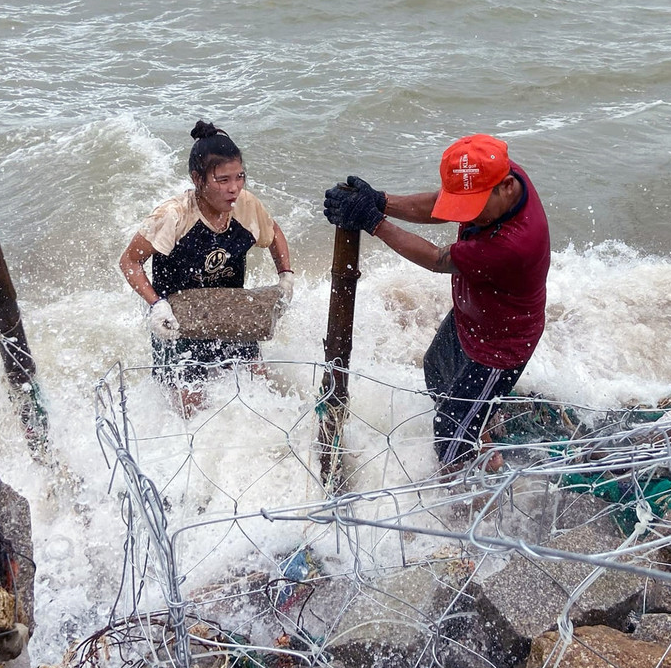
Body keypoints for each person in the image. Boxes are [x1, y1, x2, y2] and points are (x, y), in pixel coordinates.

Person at [323, 133, 550, 472]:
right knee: (436, 369)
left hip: (500, 345)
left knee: (451, 429)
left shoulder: (514, 244)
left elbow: (437, 258)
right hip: (472, 314)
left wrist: (373, 222)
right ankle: (482, 430)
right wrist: (382, 201)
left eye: (475, 209)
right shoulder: (494, 173)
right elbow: (443, 204)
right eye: (465, 207)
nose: (468, 217)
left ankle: (462, 498)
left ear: (505, 186)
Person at [120, 120, 293, 414]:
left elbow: (273, 231)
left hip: (231, 316)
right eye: (222, 180)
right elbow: (130, 261)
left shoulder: (246, 205)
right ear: (197, 178)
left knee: (258, 394)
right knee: (191, 413)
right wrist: (156, 305)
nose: (234, 188)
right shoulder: (173, 215)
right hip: (178, 325)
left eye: (240, 177)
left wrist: (285, 277)